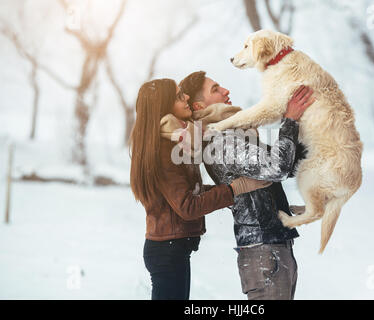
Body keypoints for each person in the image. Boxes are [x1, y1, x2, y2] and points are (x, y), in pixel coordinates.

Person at [129, 78, 272, 300]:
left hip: (170, 250)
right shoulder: (164, 150)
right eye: (178, 96)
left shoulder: (173, 140)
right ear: (164, 106)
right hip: (167, 252)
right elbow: (188, 206)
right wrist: (234, 189)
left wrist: (231, 192)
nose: (185, 97)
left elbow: (187, 192)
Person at [179, 71, 314, 300]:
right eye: (215, 89)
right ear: (199, 105)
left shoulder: (234, 133)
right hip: (264, 252)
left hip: (272, 247)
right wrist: (289, 121)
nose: (226, 91)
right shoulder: (220, 139)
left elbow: (285, 165)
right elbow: (277, 167)